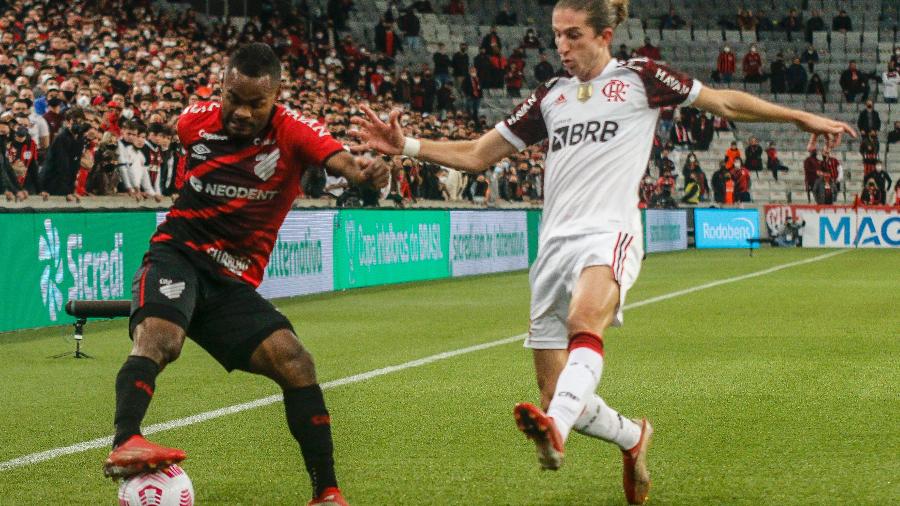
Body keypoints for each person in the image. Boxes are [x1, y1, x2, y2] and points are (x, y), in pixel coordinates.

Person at [348, 1, 854, 504]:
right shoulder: (551, 96)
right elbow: (479, 155)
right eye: (557, 36)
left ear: (604, 35)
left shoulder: (642, 78)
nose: (562, 47)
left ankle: (558, 430)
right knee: (553, 391)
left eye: (573, 35)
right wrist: (408, 145)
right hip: (552, 246)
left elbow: (723, 102)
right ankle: (632, 436)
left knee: (583, 322)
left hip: (610, 231)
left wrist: (797, 116)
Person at [102, 44, 389, 506]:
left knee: (295, 361)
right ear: (222, 87)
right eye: (233, 98)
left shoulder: (295, 131)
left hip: (232, 282)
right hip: (177, 253)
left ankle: (327, 493)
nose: (241, 111)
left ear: (276, 95)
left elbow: (346, 164)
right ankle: (126, 442)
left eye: (256, 103)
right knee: (160, 340)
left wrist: (368, 172)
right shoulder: (192, 122)